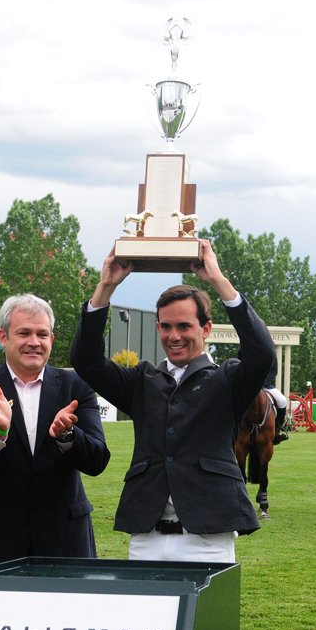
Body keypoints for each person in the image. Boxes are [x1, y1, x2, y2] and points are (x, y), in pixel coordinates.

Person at [70, 241, 276, 563]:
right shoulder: (142, 382)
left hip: (208, 536)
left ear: (206, 329)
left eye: (184, 326)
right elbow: (86, 361)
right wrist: (105, 288)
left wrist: (218, 281)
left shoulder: (228, 379)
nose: (174, 336)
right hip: (147, 536)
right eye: (165, 326)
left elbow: (262, 353)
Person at [0, 293, 110, 577]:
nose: (34, 341)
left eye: (42, 334)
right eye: (24, 333)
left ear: (51, 339)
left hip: (62, 542)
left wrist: (67, 435)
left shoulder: (77, 386)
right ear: (3, 336)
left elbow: (97, 461)